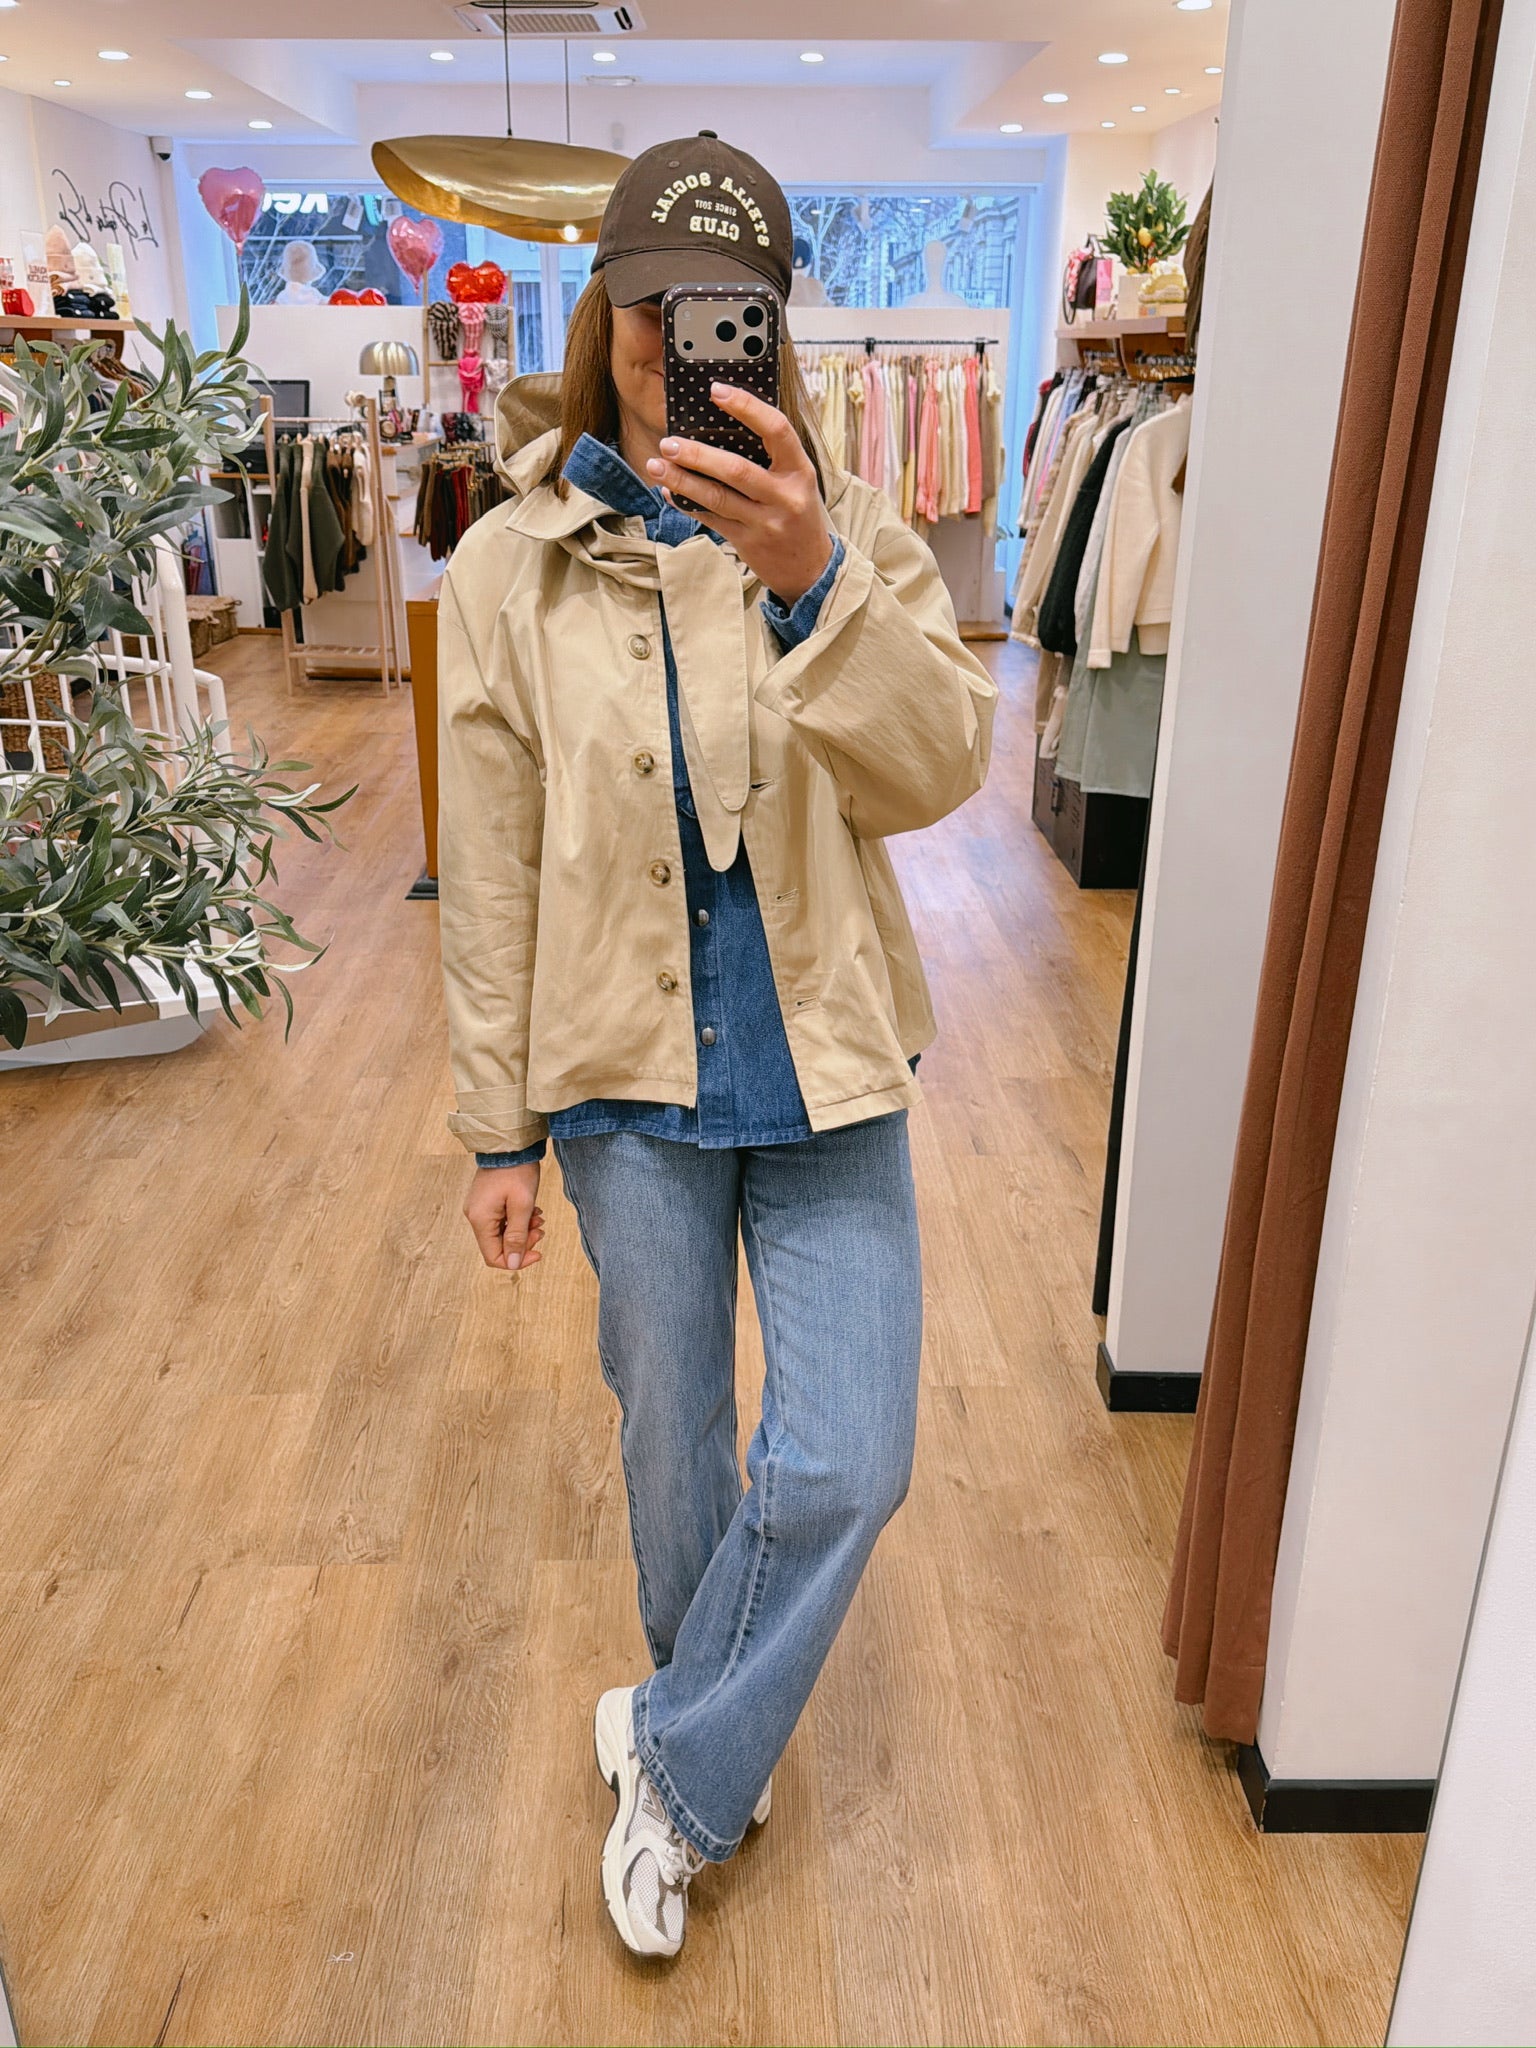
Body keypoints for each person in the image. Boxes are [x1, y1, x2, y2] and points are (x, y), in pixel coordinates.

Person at [436, 132, 997, 1959]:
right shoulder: (507, 566)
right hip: (623, 1077)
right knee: (671, 1438)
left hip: (825, 1064)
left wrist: (816, 577)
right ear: (605, 306)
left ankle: (673, 1759)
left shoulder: (851, 528)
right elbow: (490, 866)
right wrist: (498, 1132)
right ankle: (703, 1755)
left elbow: (940, 768)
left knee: (850, 1456)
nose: (679, 342)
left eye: (723, 310)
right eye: (654, 303)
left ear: (770, 330)